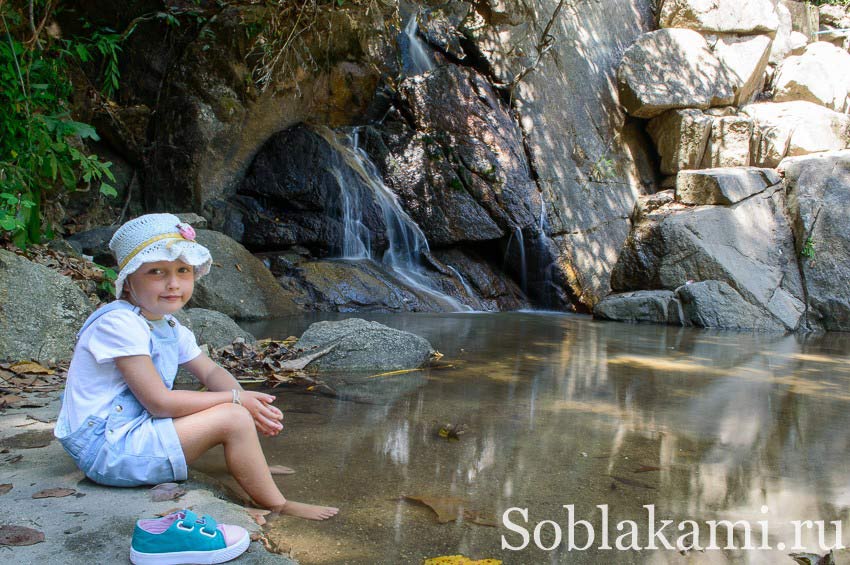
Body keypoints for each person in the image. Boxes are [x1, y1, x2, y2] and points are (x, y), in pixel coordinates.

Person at [54, 213, 338, 521]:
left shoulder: (170, 326)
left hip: (127, 436)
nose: (173, 283)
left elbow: (212, 373)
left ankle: (248, 462)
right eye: (156, 272)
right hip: (108, 452)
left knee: (237, 414)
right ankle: (278, 505)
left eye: (183, 270)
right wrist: (235, 403)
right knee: (231, 416)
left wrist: (250, 407)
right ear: (128, 281)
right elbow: (159, 404)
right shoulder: (119, 323)